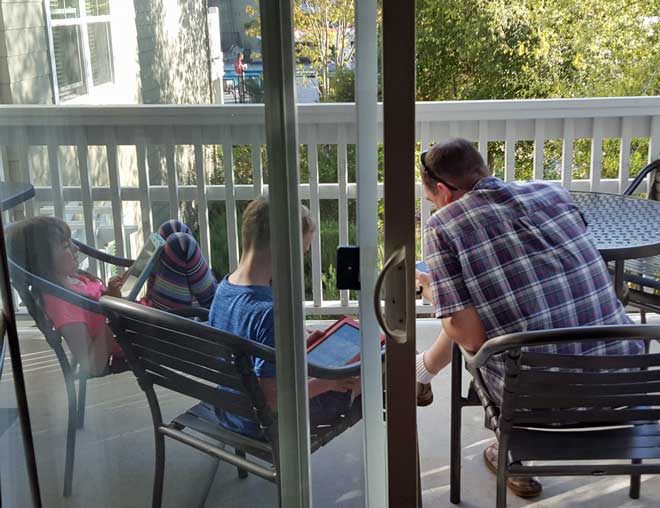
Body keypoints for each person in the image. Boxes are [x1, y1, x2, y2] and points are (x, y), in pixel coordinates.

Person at [414, 138, 644, 498]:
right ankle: (422, 372)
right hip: (630, 384)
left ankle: (510, 455)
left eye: (431, 199)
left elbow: (471, 338)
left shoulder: (443, 226)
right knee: (507, 310)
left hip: (538, 407)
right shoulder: (551, 192)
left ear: (442, 190)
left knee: (475, 329)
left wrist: (434, 293)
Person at [208, 196, 360, 439]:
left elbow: (255, 348)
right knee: (382, 364)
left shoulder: (225, 288)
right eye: (302, 251)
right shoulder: (271, 312)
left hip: (230, 411)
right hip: (266, 422)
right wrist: (327, 383)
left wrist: (298, 342)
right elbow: (272, 400)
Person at [7, 217, 216, 377]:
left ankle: (215, 311)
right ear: (43, 262)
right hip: (155, 334)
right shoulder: (62, 304)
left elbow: (99, 307)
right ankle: (219, 315)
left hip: (145, 314)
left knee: (171, 228)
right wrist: (113, 307)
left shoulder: (72, 279)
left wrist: (116, 292)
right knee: (181, 243)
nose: (76, 248)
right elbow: (94, 366)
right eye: (65, 246)